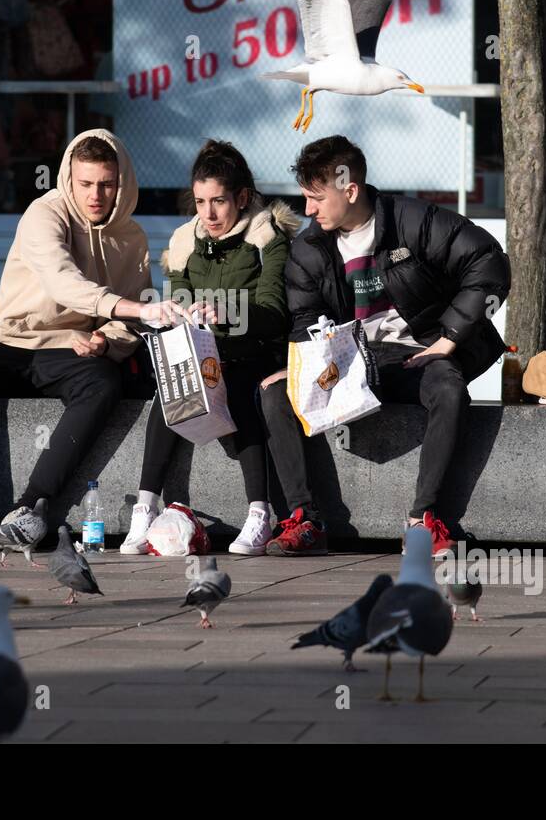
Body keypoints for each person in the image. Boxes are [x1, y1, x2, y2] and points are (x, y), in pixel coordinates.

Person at [0, 129, 185, 552]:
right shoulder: (43, 215)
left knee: (103, 382)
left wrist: (105, 338)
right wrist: (137, 312)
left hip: (70, 353)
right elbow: (64, 282)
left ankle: (30, 508)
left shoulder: (131, 237)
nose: (95, 194)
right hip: (12, 342)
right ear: (69, 179)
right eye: (85, 184)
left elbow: (129, 321)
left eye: (106, 183)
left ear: (122, 183)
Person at [257, 135, 510, 556]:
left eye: (316, 198)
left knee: (449, 390)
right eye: (305, 198)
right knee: (275, 393)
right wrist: (302, 366)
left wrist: (450, 337)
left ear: (350, 190)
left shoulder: (412, 220)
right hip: (352, 361)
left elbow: (489, 261)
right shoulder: (309, 248)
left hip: (418, 354)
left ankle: (424, 521)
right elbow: (304, 320)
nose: (308, 210)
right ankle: (304, 520)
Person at [119, 140, 301, 556]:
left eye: (219, 201)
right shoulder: (185, 242)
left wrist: (228, 311)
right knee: (171, 392)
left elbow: (274, 312)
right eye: (201, 201)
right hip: (202, 353)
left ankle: (259, 513)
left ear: (241, 197)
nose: (209, 213)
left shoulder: (266, 237)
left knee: (237, 391)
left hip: (255, 353)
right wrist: (179, 316)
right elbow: (181, 304)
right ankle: (144, 508)